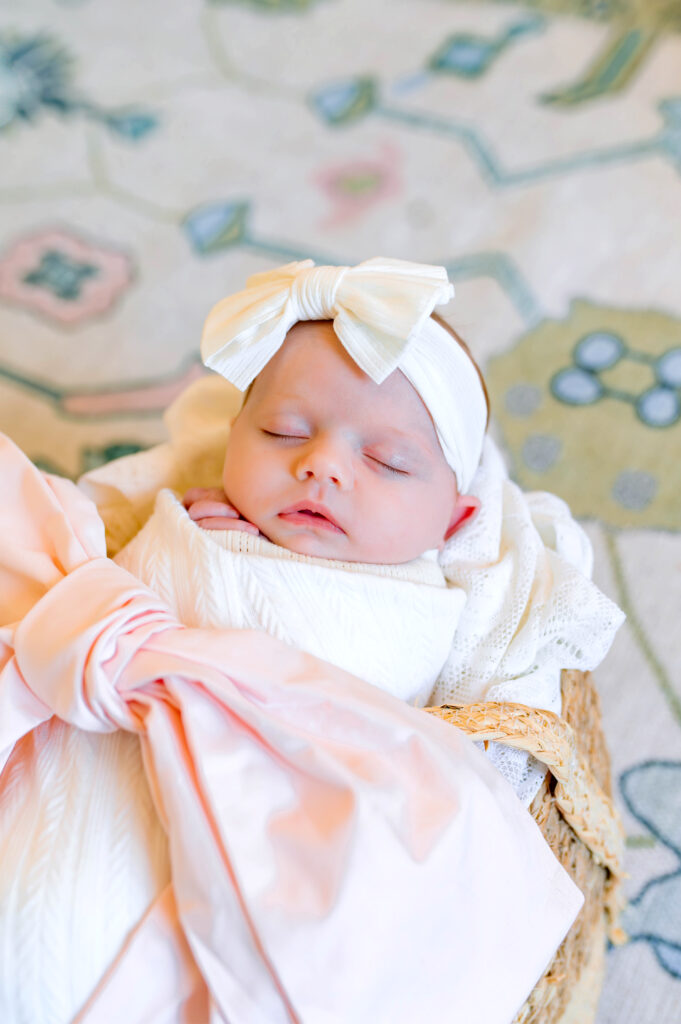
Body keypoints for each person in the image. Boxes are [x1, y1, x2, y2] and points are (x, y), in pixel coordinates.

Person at [0, 258, 622, 1024]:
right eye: (281, 431)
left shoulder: (422, 612)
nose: (320, 463)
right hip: (96, 759)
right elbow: (100, 594)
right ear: (230, 440)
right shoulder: (192, 523)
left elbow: (397, 746)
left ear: (452, 524)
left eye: (387, 461)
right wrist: (181, 554)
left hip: (266, 834)